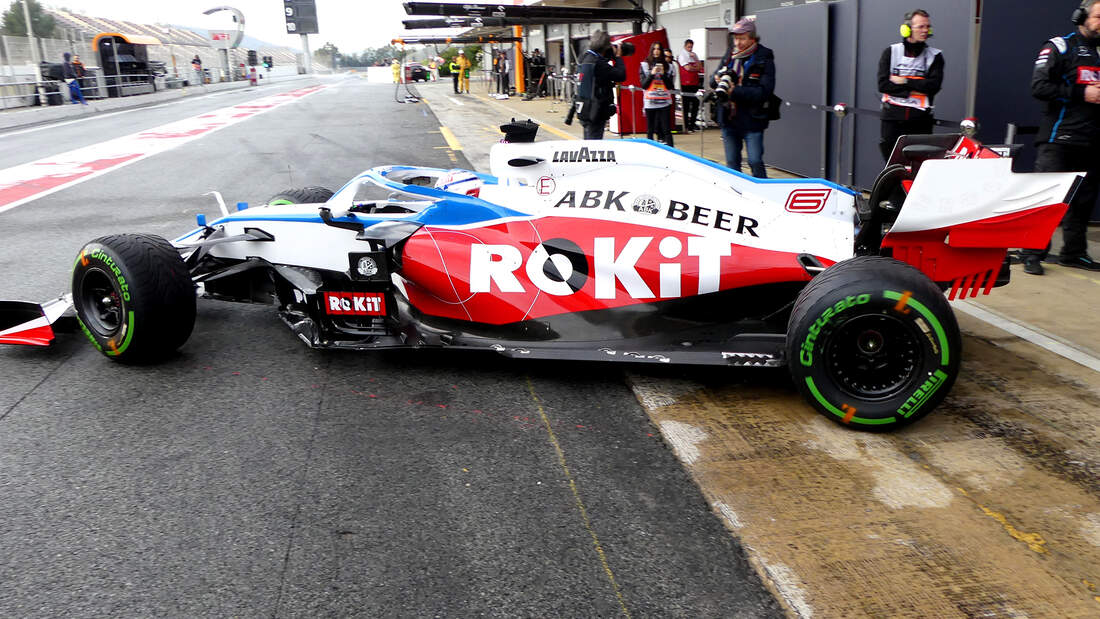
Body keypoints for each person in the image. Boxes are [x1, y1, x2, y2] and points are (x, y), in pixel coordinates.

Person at [1020, 0, 1100, 274]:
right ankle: (1031, 253)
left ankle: (1074, 253)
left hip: (1091, 140)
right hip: (1058, 139)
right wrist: (1082, 93)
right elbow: (1039, 86)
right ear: (1081, 17)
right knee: (1047, 199)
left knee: (1084, 201)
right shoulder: (1060, 46)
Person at [877, 9, 944, 160]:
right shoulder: (890, 52)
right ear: (907, 28)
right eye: (921, 26)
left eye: (927, 26)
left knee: (919, 166)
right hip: (892, 120)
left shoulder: (935, 56)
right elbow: (883, 85)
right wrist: (916, 89)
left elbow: (933, 86)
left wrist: (905, 81)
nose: (925, 30)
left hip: (921, 122)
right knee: (893, 166)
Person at [712, 18, 775, 178]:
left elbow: (764, 92)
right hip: (729, 119)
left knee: (754, 160)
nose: (738, 43)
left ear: (752, 38)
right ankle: (736, 197)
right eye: (736, 38)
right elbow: (713, 80)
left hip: (752, 120)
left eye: (742, 38)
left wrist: (735, 92)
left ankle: (763, 193)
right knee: (732, 163)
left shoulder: (764, 56)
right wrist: (717, 79)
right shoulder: (730, 54)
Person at [575, 30, 627, 140]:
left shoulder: (584, 58)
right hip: (596, 111)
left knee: (588, 141)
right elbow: (621, 75)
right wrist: (618, 56)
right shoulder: (598, 64)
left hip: (585, 108)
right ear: (605, 47)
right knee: (594, 145)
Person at [640, 42, 675, 146]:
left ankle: (672, 153)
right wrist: (652, 74)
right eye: (654, 49)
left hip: (664, 102)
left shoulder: (669, 66)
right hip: (650, 101)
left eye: (658, 49)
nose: (656, 51)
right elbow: (644, 85)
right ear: (651, 51)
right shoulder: (645, 65)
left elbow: (670, 86)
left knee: (666, 130)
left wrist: (663, 74)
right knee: (650, 130)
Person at [678, 39, 703, 133]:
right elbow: (687, 68)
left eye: (691, 47)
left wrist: (695, 62)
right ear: (685, 46)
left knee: (695, 104)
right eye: (688, 47)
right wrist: (695, 68)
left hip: (694, 83)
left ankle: (692, 125)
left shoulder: (694, 55)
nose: (690, 48)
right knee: (686, 105)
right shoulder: (682, 55)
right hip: (686, 83)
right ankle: (686, 126)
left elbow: (700, 66)